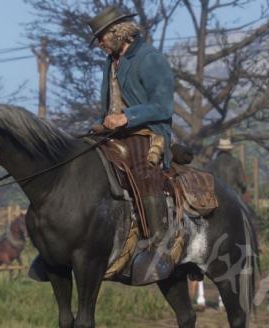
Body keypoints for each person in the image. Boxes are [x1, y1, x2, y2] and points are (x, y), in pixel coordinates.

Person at [28, 6, 175, 285]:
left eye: (102, 38)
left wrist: (126, 117)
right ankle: (57, 247)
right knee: (76, 162)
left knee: (144, 171)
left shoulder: (152, 59)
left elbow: (163, 106)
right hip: (116, 133)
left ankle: (159, 245)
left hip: (147, 134)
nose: (99, 44)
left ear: (118, 33)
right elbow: (111, 104)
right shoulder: (112, 61)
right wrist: (102, 122)